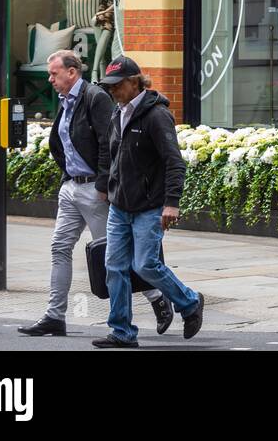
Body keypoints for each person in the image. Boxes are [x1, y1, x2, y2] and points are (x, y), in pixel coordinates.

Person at [18, 50, 172, 337]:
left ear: (72, 72)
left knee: (114, 256)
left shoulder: (95, 97)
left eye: (54, 73)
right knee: (59, 248)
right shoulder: (65, 101)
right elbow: (61, 141)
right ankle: (54, 316)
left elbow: (110, 142)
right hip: (71, 187)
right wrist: (68, 175)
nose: (50, 79)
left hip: (95, 190)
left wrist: (103, 184)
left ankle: (157, 298)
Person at [92, 57, 204, 348]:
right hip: (120, 206)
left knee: (145, 265)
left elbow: (174, 163)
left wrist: (172, 203)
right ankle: (122, 332)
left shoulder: (156, 115)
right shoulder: (118, 113)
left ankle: (190, 302)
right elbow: (114, 155)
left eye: (116, 86)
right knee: (114, 267)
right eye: (109, 87)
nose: (112, 91)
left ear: (133, 82)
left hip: (149, 207)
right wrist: (108, 185)